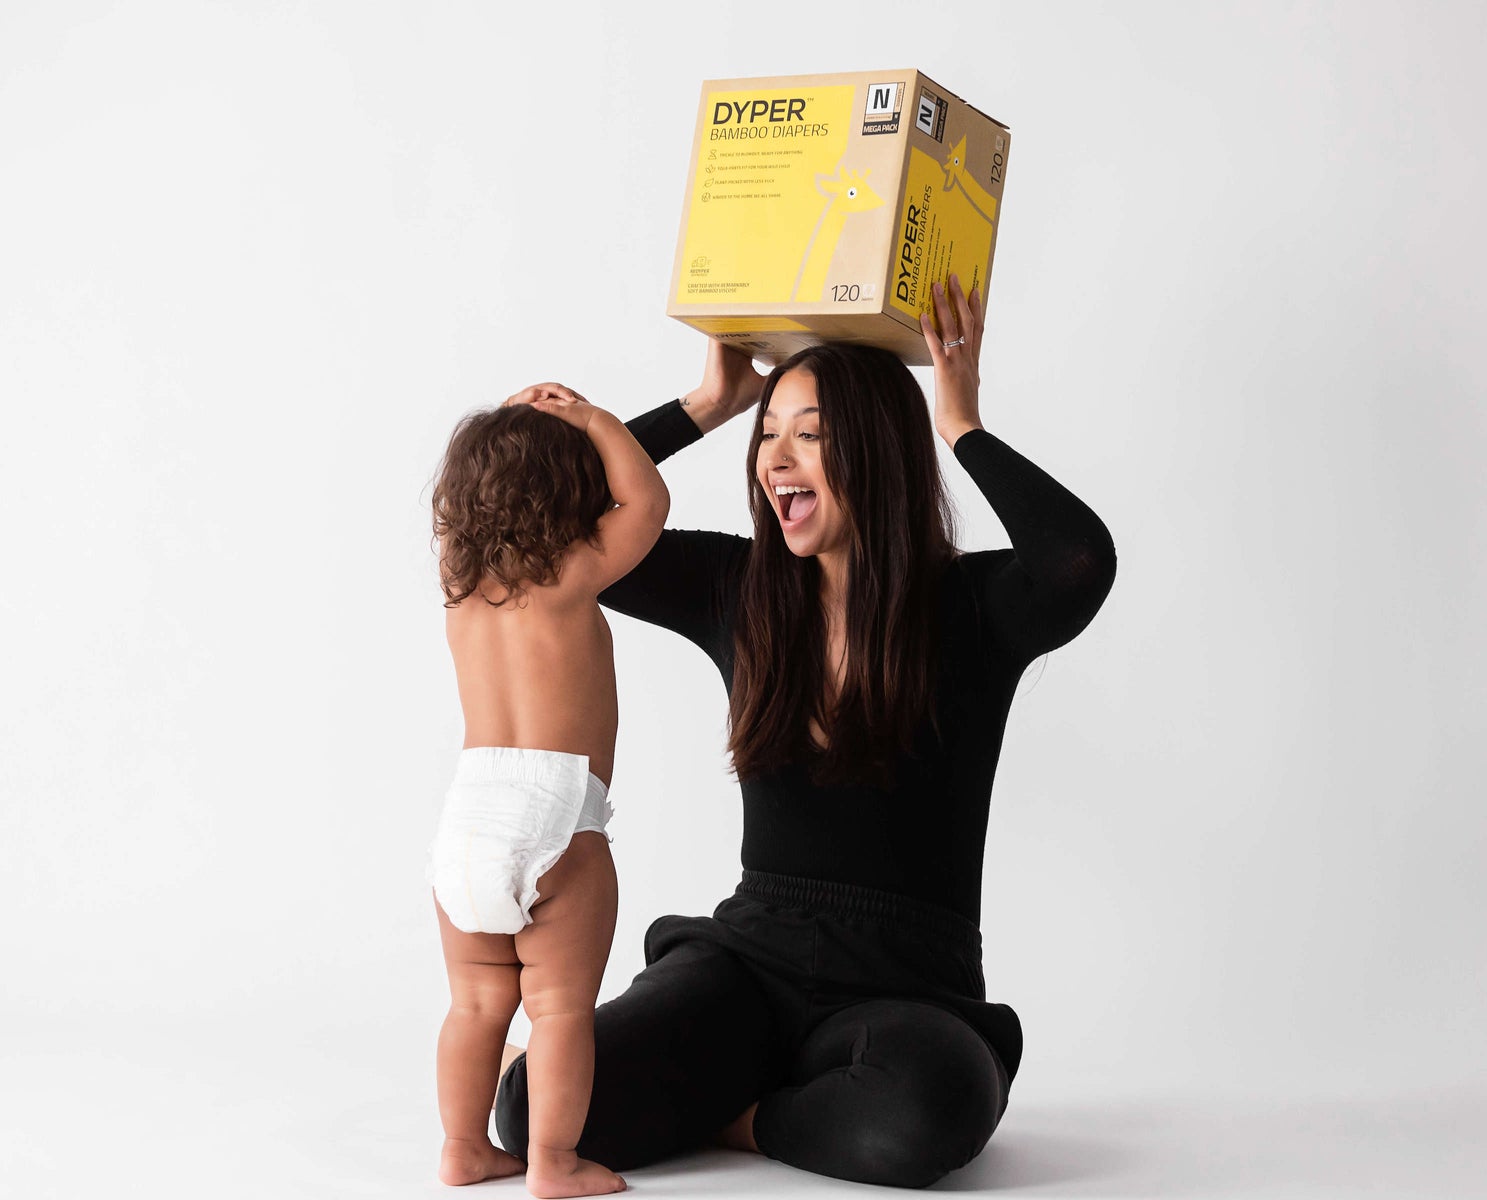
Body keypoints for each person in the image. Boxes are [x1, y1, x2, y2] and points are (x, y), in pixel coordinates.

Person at [493, 276, 1118, 1188]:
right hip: (745, 966)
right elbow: (549, 529)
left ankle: (745, 1113)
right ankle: (791, 1096)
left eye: (812, 435)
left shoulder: (973, 608)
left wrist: (960, 419)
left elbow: (1078, 559)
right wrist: (708, 403)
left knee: (924, 1115)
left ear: (877, 453)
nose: (777, 459)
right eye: (770, 434)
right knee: (528, 1113)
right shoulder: (737, 587)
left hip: (908, 990)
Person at [428, 386, 669, 1197]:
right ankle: (552, 1163)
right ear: (574, 498)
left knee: (474, 1006)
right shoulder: (571, 573)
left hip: (465, 820)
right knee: (559, 1010)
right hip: (556, 817)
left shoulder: (460, 593)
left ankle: (462, 1148)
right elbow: (648, 501)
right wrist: (598, 422)